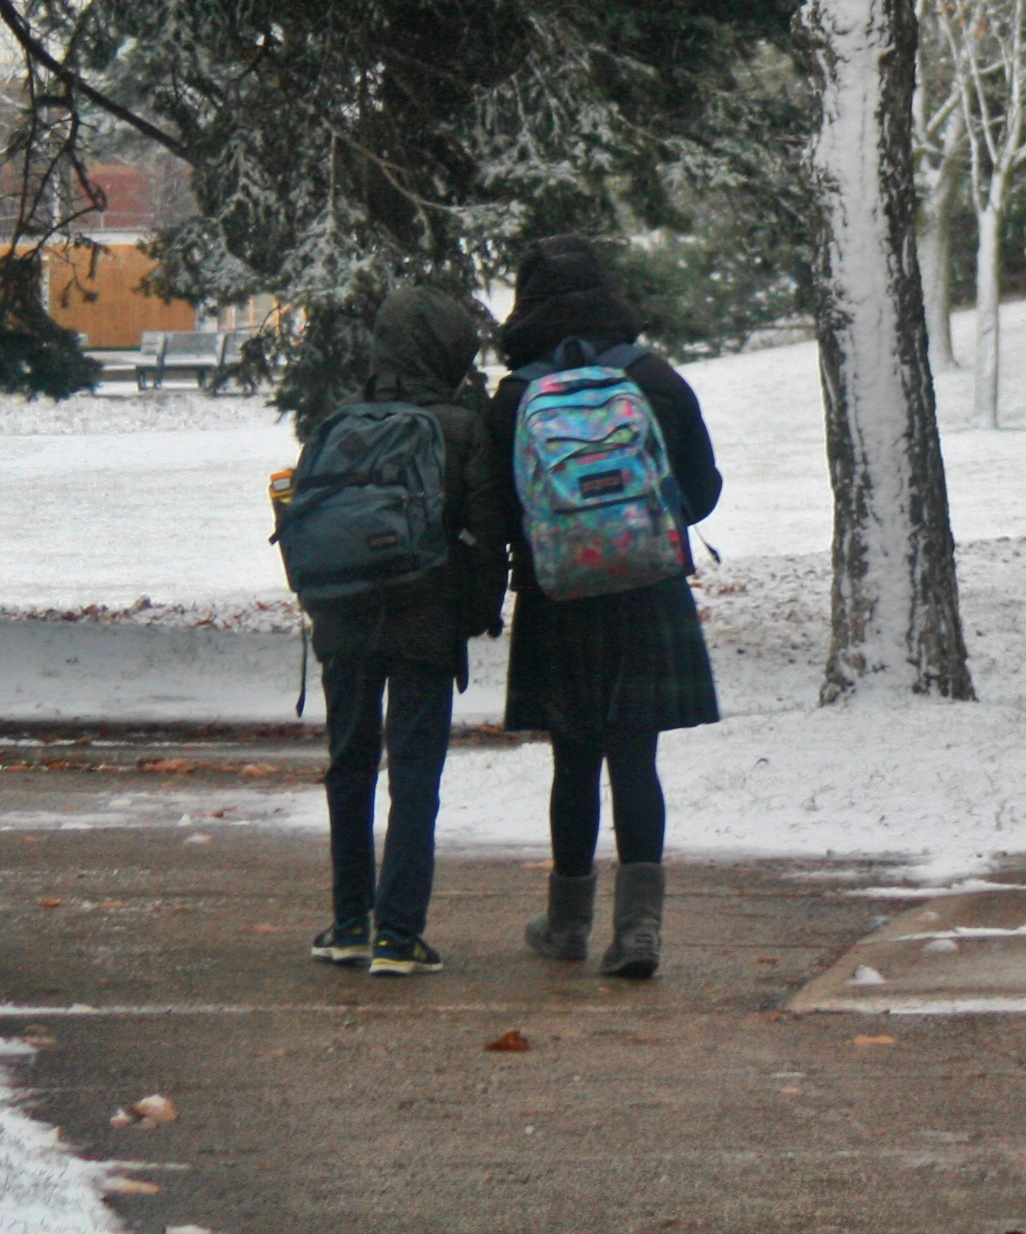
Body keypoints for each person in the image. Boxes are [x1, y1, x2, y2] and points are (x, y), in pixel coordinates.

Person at [492, 234, 721, 981]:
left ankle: (566, 924)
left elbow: (498, 509)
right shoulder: (654, 379)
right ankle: (640, 930)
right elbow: (704, 489)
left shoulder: (516, 396)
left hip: (557, 600)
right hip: (646, 591)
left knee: (573, 762)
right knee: (636, 759)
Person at [300, 283, 507, 975]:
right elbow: (485, 535)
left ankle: (347, 922)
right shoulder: (462, 426)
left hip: (344, 620)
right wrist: (478, 614)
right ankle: (398, 933)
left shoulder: (340, 421)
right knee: (415, 775)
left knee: (350, 768)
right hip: (426, 619)